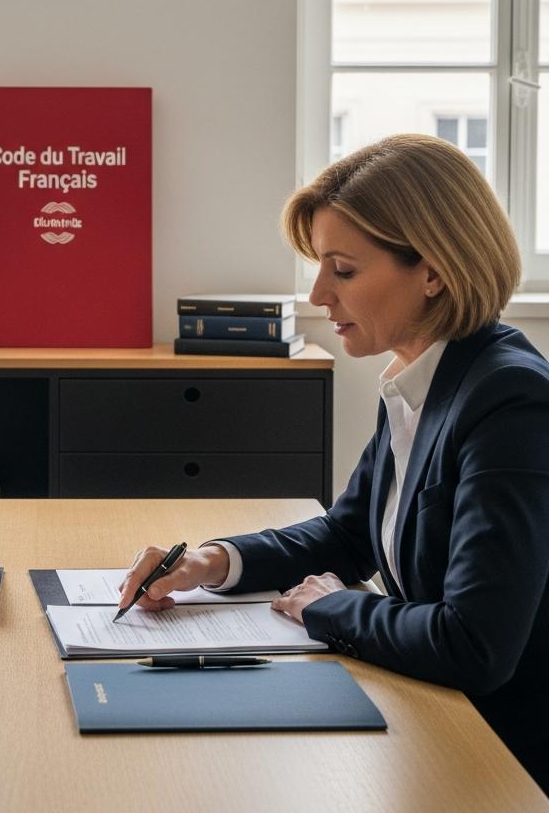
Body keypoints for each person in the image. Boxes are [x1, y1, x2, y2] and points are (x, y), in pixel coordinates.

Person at [120, 134, 549, 792]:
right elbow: (348, 537)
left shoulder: (510, 399)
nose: (319, 294)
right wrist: (213, 561)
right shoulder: (419, 374)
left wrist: (332, 609)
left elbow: (475, 645)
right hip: (432, 718)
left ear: (433, 271)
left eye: (343, 270)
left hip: (499, 758)